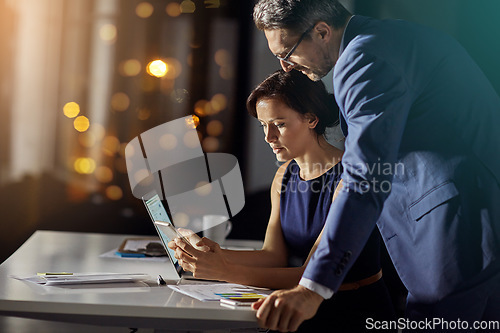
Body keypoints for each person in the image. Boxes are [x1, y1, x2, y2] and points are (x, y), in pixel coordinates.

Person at [251, 0, 500, 332]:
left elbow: (365, 177)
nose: (285, 67)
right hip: (473, 224)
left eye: (288, 52)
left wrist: (312, 288)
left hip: (459, 234)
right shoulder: (387, 38)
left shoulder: (364, 59)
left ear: (322, 31)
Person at [169, 69, 395, 331]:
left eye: (280, 124)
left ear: (311, 119)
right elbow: (273, 255)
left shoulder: (349, 178)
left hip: (351, 312)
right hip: (295, 306)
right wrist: (212, 254)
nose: (269, 137)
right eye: (264, 125)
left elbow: (309, 276)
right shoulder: (285, 175)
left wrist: (223, 270)